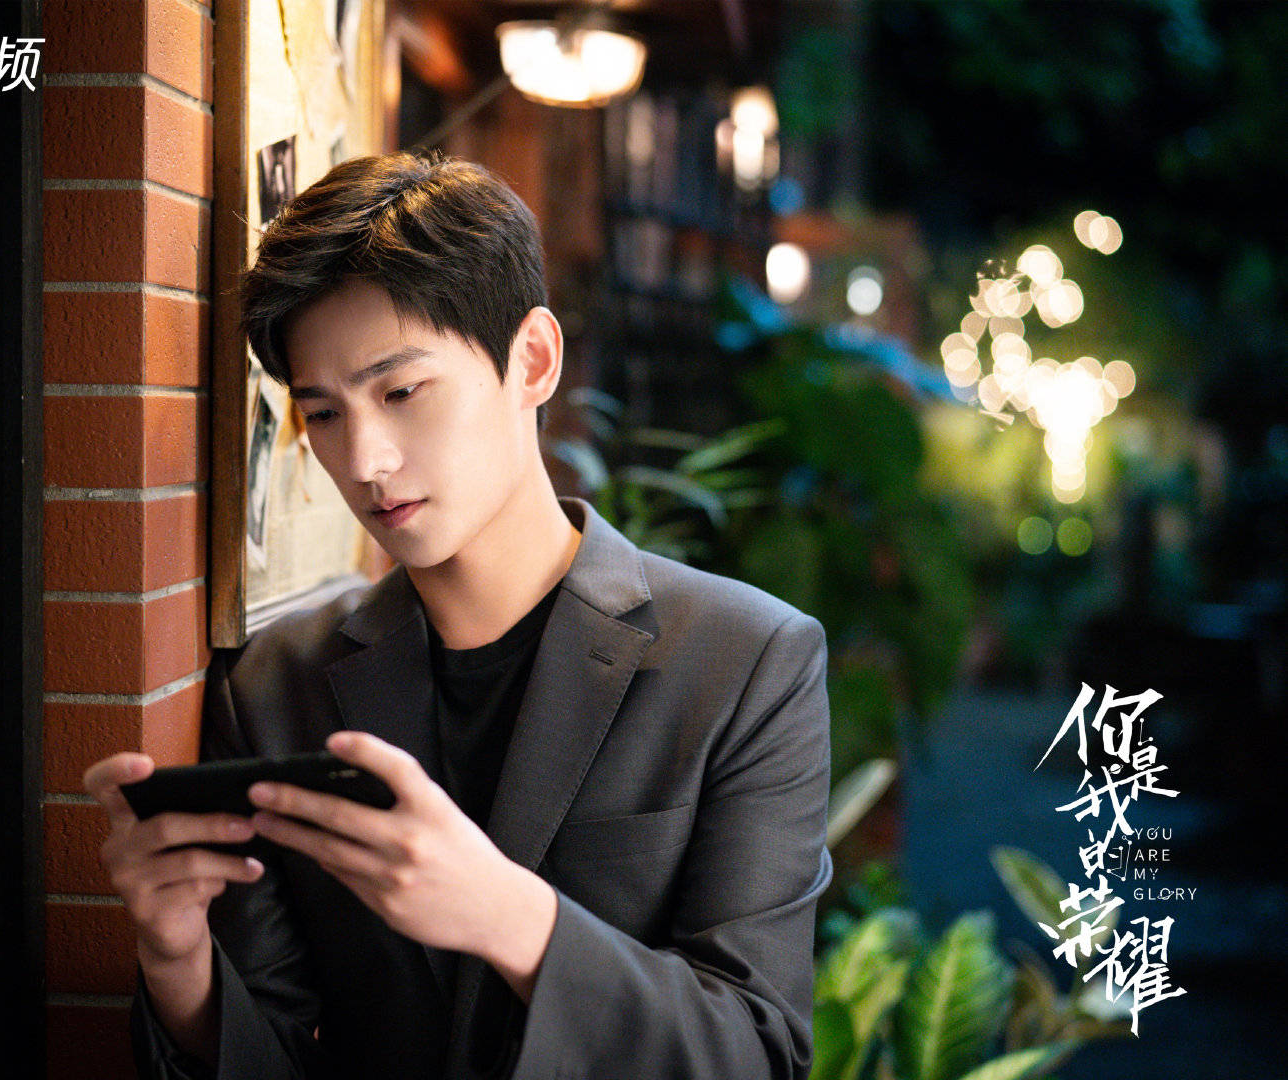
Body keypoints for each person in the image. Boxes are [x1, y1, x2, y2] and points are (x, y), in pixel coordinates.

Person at [83, 150, 834, 1080]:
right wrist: (176, 959)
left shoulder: (746, 660)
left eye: (401, 392)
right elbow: (269, 1055)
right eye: (324, 414)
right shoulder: (276, 685)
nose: (365, 461)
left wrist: (508, 918)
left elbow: (756, 1052)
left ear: (533, 360)